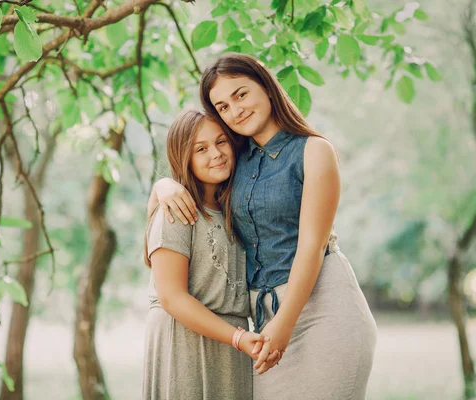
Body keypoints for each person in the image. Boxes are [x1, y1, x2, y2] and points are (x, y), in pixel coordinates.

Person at [149, 53, 377, 400]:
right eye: (223, 106)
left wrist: (283, 324)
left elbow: (312, 246)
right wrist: (162, 186)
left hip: (323, 306)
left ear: (267, 88)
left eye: (241, 94)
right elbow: (187, 190)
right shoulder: (233, 160)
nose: (235, 110)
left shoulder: (314, 151)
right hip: (265, 319)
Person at [142, 109, 269, 400]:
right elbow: (172, 297)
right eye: (201, 149)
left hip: (233, 345)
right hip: (185, 340)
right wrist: (237, 337)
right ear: (184, 157)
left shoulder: (235, 209)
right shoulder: (175, 210)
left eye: (221, 142)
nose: (216, 153)